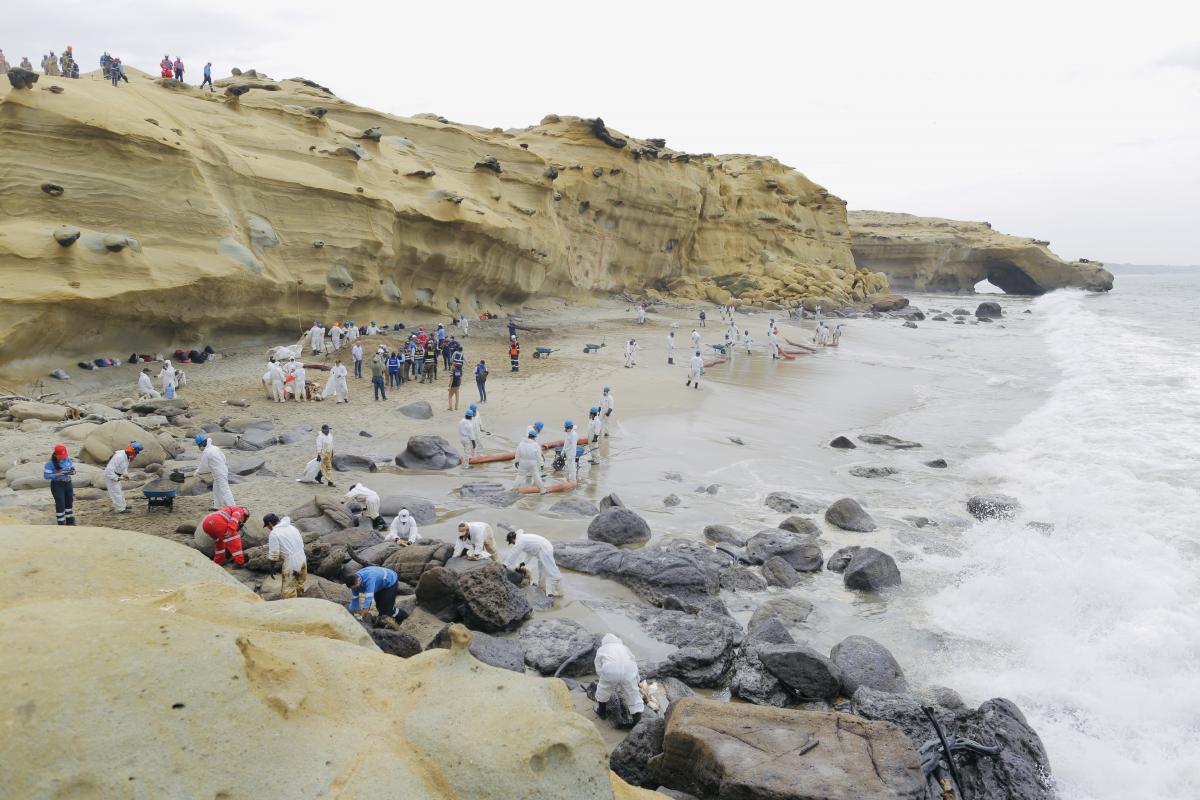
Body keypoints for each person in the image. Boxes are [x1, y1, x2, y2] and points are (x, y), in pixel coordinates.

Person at [594, 634, 644, 724]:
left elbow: (598, 667)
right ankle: (637, 719)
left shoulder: (601, 650)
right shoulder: (625, 648)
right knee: (632, 693)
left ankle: (602, 712)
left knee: (603, 690)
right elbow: (633, 661)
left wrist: (603, 677)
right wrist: (637, 679)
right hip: (628, 671)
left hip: (610, 671)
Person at [503, 529, 561, 597]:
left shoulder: (520, 541)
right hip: (542, 549)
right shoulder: (524, 539)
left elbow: (514, 553)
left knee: (549, 571)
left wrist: (505, 564)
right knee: (542, 570)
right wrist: (524, 562)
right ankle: (541, 587)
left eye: (511, 542)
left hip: (544, 549)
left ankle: (550, 593)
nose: (512, 543)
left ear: (513, 538)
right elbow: (530, 551)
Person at [263, 513, 306, 598]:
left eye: (267, 526)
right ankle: (301, 602)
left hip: (291, 563)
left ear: (270, 524)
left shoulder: (274, 533)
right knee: (300, 584)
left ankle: (291, 608)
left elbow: (274, 555)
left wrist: (272, 568)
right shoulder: (292, 527)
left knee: (288, 591)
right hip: (303, 558)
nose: (268, 528)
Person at [195, 435, 236, 509]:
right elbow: (224, 458)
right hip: (223, 469)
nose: (199, 447)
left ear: (201, 444)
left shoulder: (206, 452)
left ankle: (232, 507)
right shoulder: (215, 448)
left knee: (225, 489)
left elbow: (203, 466)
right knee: (216, 489)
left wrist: (197, 472)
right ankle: (217, 506)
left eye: (199, 445)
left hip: (219, 472)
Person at [44, 444, 77, 526]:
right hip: (57, 485)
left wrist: (72, 472)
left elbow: (73, 469)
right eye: (61, 456)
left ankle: (70, 522)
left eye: (64, 455)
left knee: (69, 502)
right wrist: (58, 474)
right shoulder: (50, 464)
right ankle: (61, 523)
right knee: (60, 504)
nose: (63, 457)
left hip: (68, 483)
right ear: (55, 455)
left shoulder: (68, 459)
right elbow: (46, 476)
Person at [104, 441, 140, 513]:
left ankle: (123, 505)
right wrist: (117, 478)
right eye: (135, 453)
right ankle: (120, 509)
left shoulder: (126, 455)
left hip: (117, 475)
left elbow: (123, 467)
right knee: (116, 493)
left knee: (119, 492)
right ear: (132, 451)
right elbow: (108, 470)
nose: (135, 455)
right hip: (111, 476)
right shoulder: (119, 456)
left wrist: (125, 474)